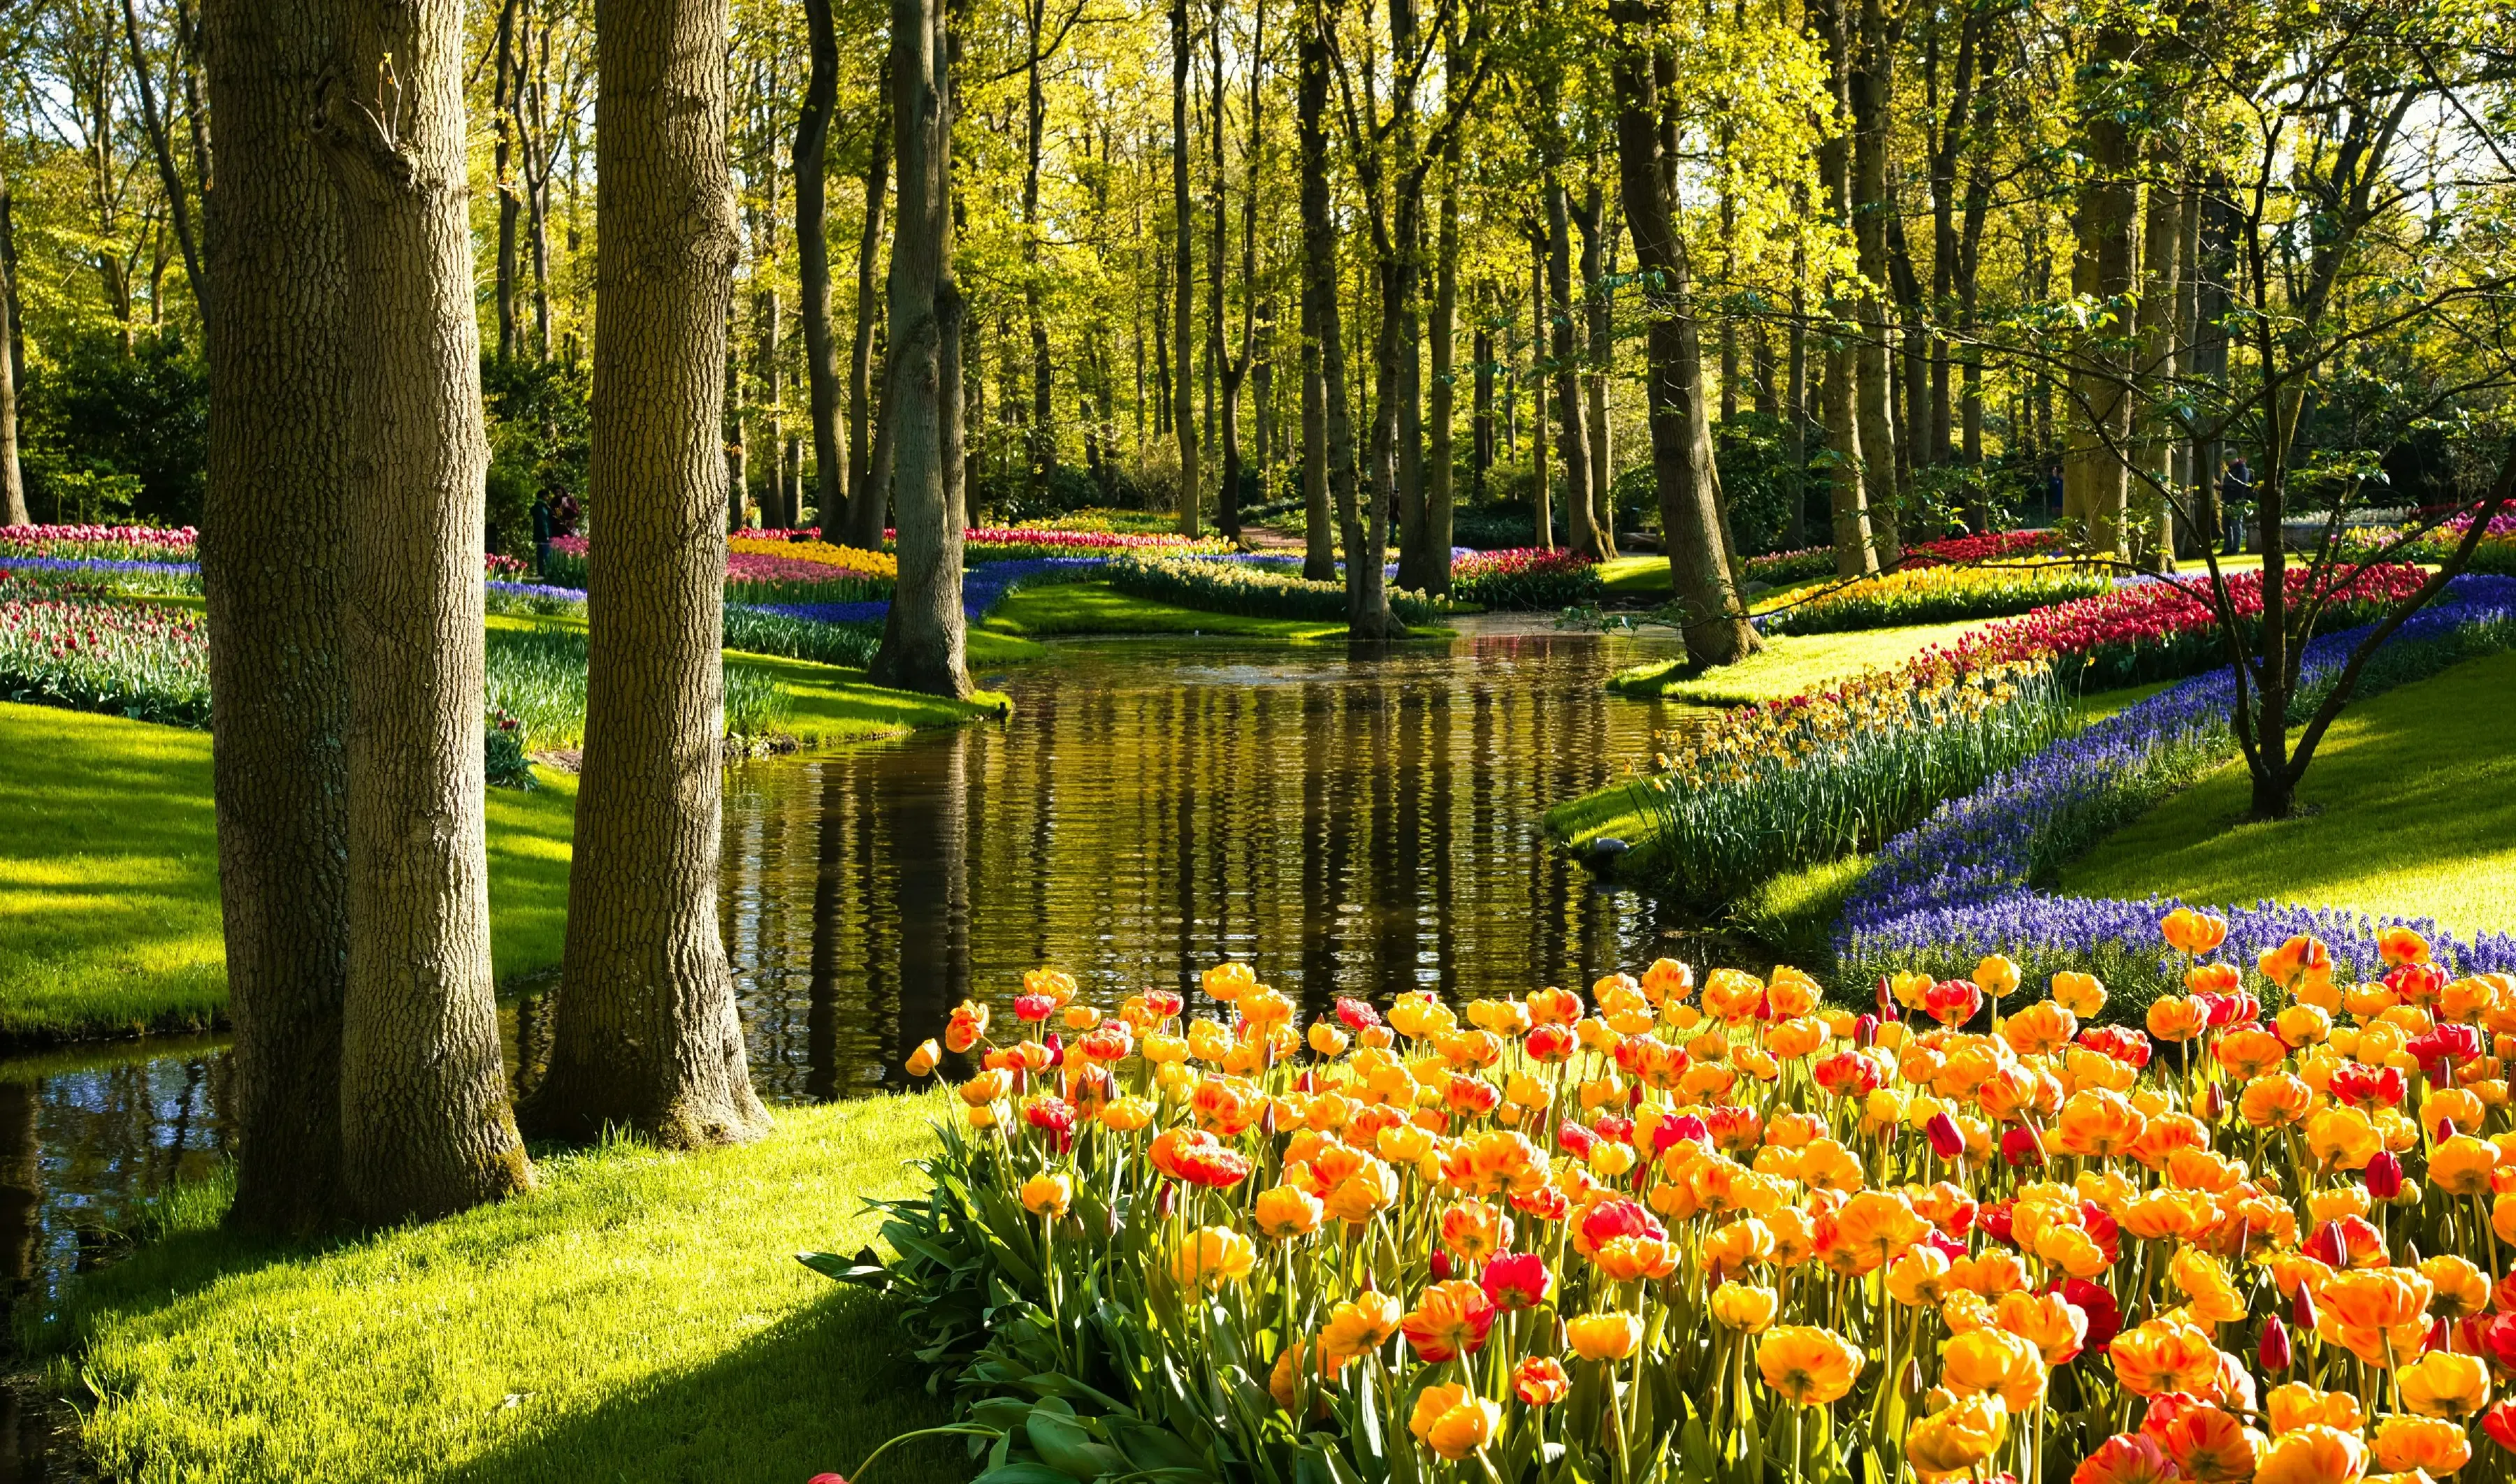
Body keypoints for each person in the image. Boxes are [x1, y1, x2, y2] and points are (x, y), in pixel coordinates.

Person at [2220, 457, 2252, 554]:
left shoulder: (2243, 470)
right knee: (2226, 525)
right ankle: (2227, 548)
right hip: (2227, 500)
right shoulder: (2229, 470)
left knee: (2235, 525)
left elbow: (2241, 485)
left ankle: (2235, 549)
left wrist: (2225, 487)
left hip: (2238, 501)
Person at [530, 491, 555, 579]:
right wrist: (546, 533)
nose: (548, 497)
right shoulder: (542, 507)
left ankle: (541, 573)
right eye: (547, 495)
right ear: (544, 496)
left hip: (539, 535)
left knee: (540, 554)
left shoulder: (540, 506)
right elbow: (543, 521)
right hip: (545, 534)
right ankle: (548, 574)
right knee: (547, 554)